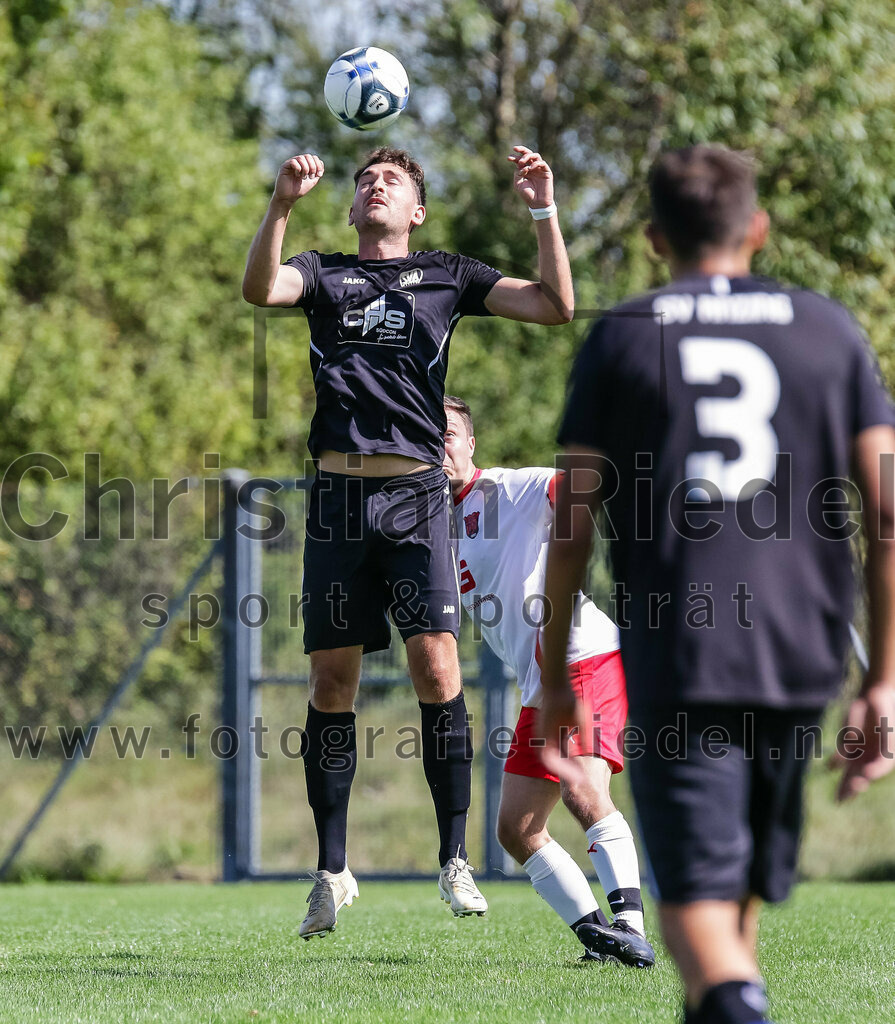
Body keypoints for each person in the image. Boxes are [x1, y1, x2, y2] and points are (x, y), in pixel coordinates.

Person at [538, 145, 895, 1023]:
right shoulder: (826, 329)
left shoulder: (624, 334)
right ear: (758, 229)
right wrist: (882, 679)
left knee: (695, 910)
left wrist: (553, 675)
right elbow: (886, 513)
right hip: (800, 651)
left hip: (683, 648)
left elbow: (571, 523)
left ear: (655, 239)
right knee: (732, 899)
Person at [242, 145, 574, 938]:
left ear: (416, 212)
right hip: (336, 500)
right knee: (331, 683)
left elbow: (555, 306)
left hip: (415, 494)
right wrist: (281, 203)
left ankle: (453, 859)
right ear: (351, 207)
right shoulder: (321, 273)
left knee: (436, 667)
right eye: (364, 180)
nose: (374, 185)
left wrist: (541, 208)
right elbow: (259, 288)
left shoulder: (446, 275)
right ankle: (331, 871)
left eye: (390, 180)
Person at [443, 395, 655, 967]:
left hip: (586, 657)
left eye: (449, 434)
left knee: (582, 791)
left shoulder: (505, 489)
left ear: (470, 444)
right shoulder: (433, 522)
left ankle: (631, 928)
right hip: (541, 683)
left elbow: (575, 486)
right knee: (516, 828)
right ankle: (600, 940)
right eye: (427, 437)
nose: (439, 446)